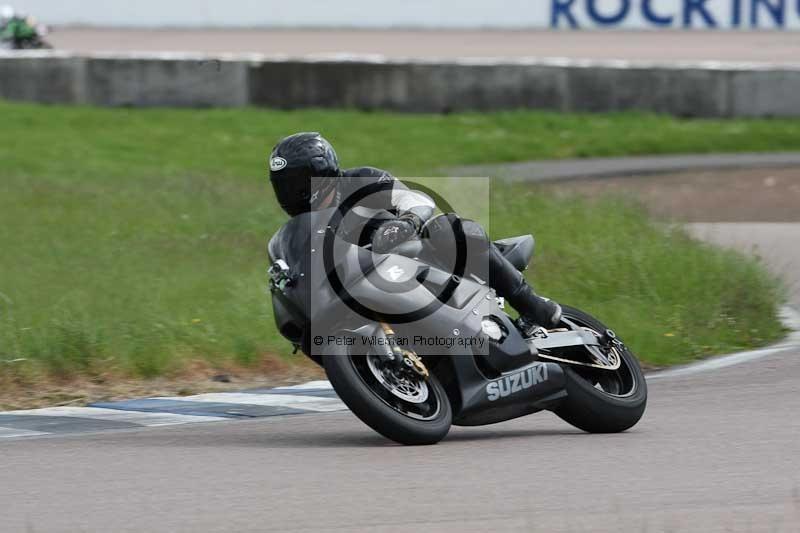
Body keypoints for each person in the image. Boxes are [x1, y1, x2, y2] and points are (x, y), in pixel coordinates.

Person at [268, 132, 562, 334]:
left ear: (323, 172)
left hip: (420, 257)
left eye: (299, 182)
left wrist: (406, 222)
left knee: (447, 226)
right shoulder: (302, 230)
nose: (292, 193)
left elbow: (416, 200)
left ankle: (531, 305)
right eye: (284, 185)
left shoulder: (360, 181)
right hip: (370, 287)